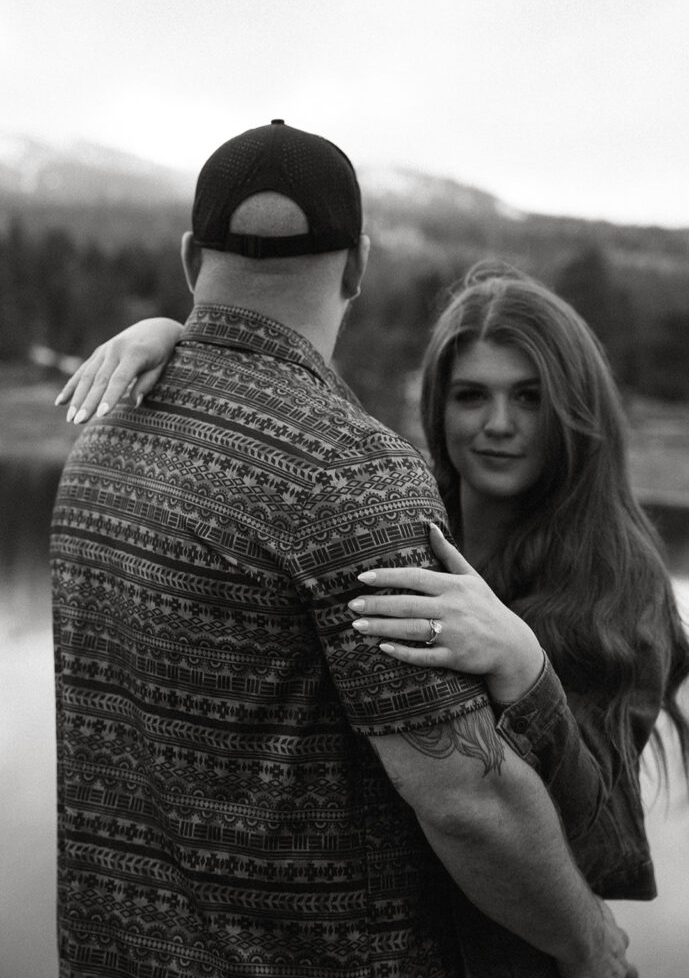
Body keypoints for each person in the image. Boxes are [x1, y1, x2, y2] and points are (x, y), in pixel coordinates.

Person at [50, 122, 636, 978]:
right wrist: (590, 946)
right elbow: (465, 797)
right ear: (357, 266)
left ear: (189, 260)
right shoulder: (346, 472)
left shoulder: (102, 442)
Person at [341, 263, 689, 974]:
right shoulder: (397, 531)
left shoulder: (621, 587)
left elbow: (601, 849)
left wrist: (525, 669)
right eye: (472, 396)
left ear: (572, 409)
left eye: (528, 398)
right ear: (438, 408)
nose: (499, 425)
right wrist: (172, 342)